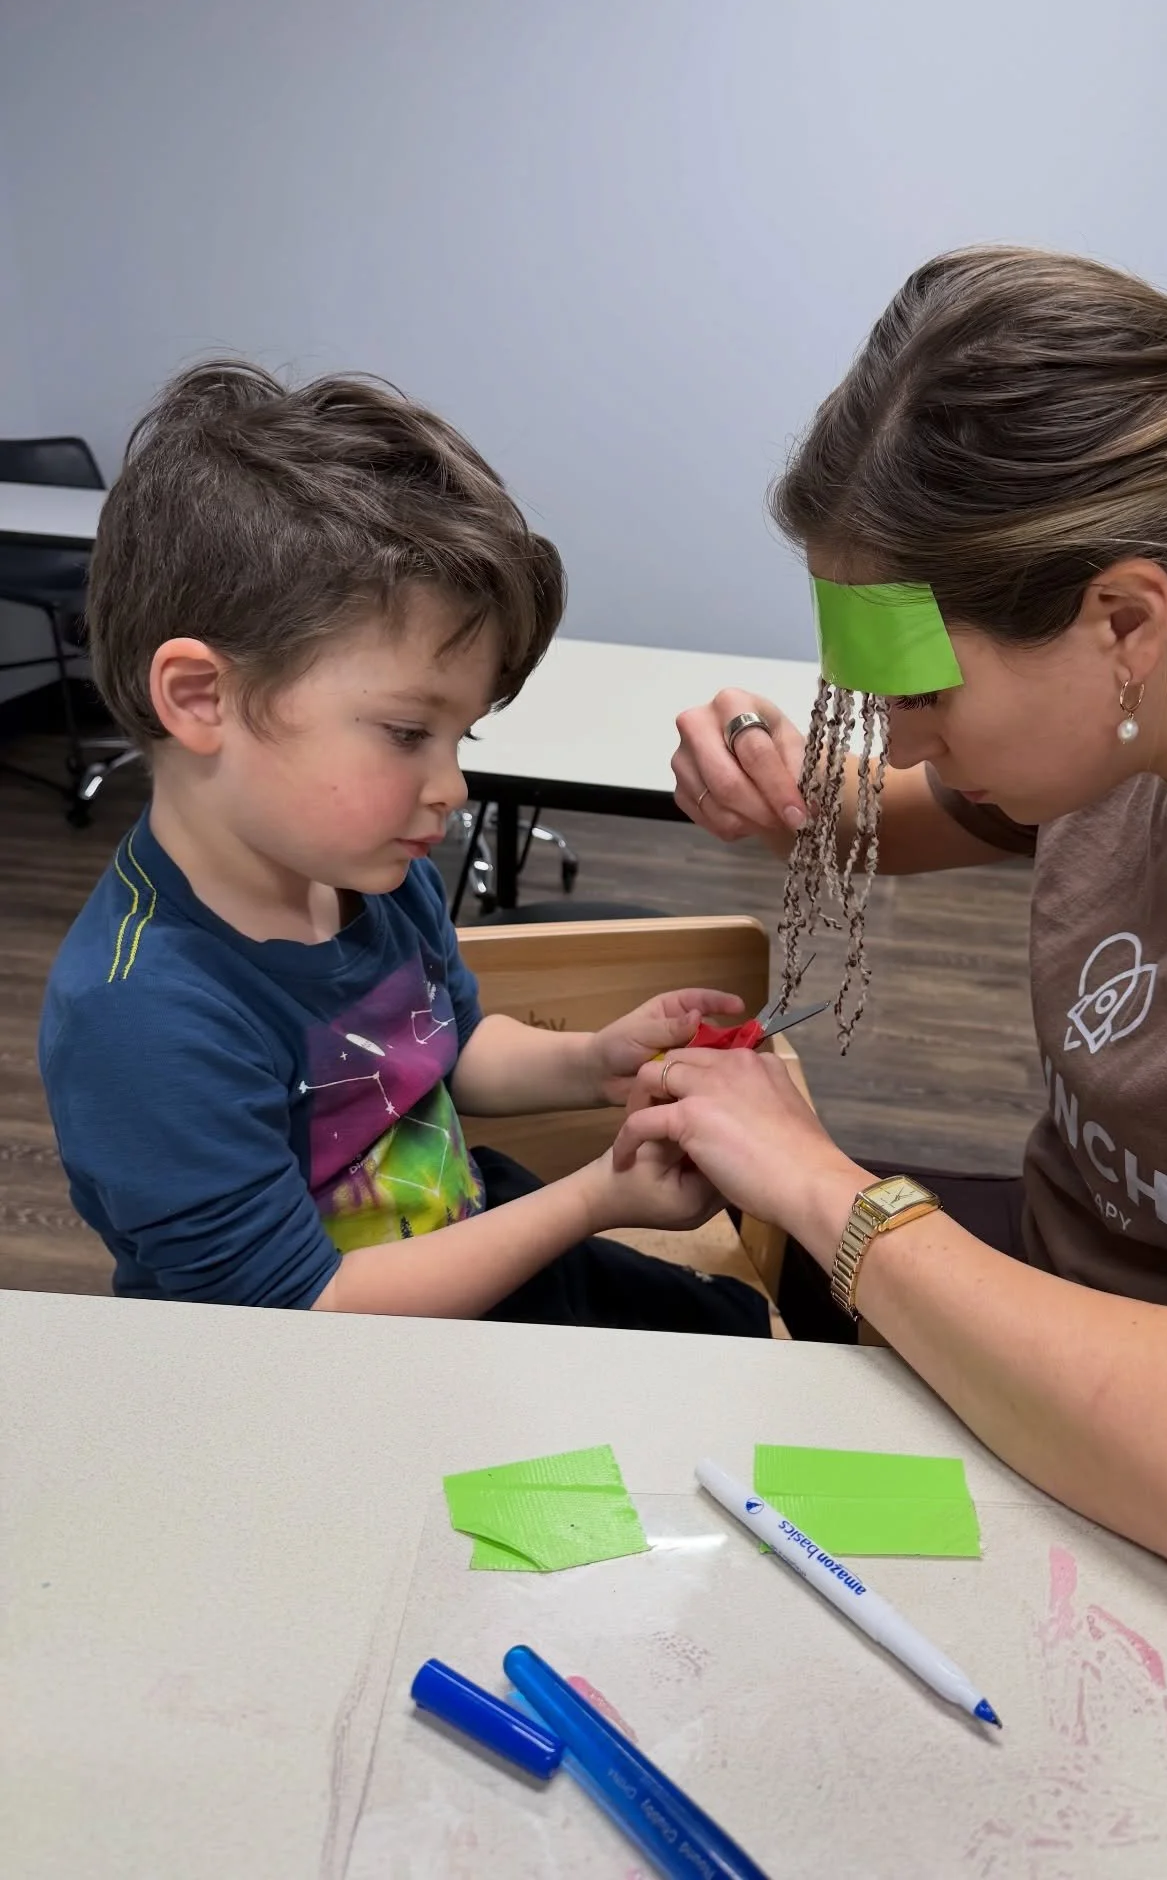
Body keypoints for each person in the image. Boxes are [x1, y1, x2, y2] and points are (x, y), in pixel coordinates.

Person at [634, 247, 1167, 1617]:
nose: (894, 740)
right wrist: (776, 776)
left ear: (1123, 619)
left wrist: (822, 1186)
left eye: (921, 701)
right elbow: (902, 804)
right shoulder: (1153, 712)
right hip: (1039, 1301)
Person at [39, 362, 768, 1335]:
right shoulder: (141, 1016)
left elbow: (446, 1051)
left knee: (737, 1334)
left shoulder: (371, 875)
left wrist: (592, 1060)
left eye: (461, 737)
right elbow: (304, 1317)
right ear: (202, 698)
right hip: (326, 1370)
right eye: (405, 733)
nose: (451, 787)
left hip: (465, 1229)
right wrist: (599, 1197)